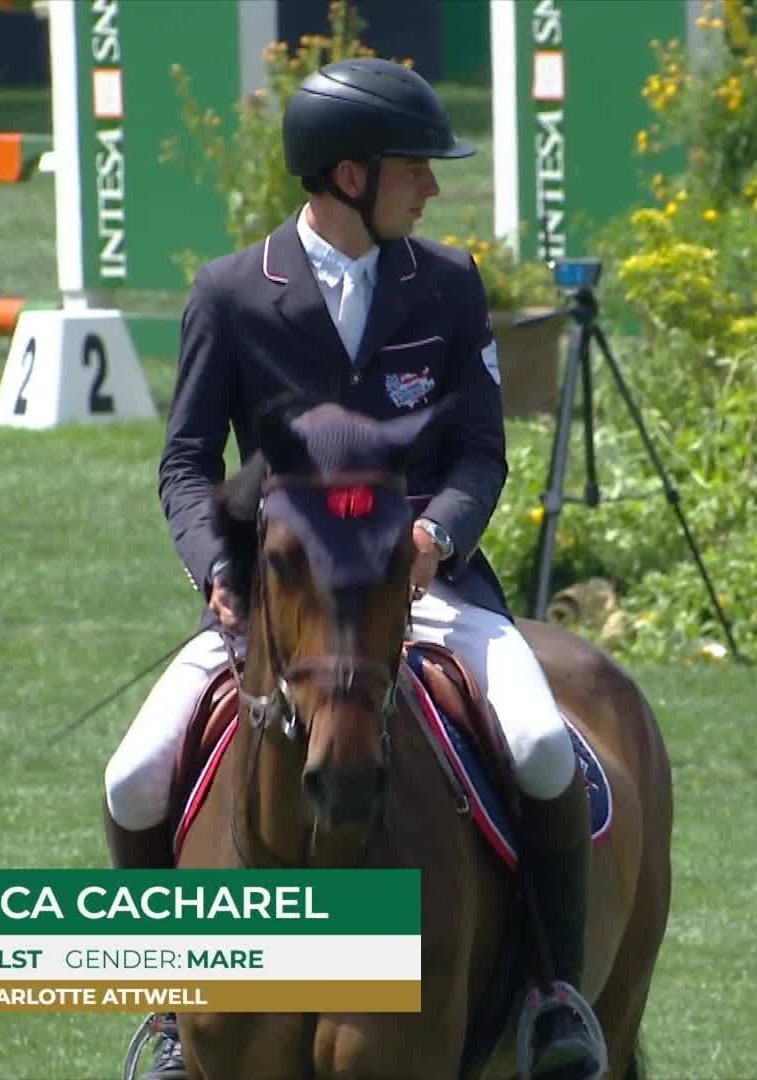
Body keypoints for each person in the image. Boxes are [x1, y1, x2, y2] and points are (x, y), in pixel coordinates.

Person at [103, 57, 601, 1080]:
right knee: (135, 774)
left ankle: (552, 991)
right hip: (281, 609)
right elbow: (190, 464)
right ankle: (169, 1011)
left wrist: (438, 539)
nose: (432, 186)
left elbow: (477, 450)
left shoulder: (448, 284)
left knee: (546, 744)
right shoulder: (233, 294)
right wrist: (220, 569)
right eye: (415, 167)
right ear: (347, 177)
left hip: (426, 590)